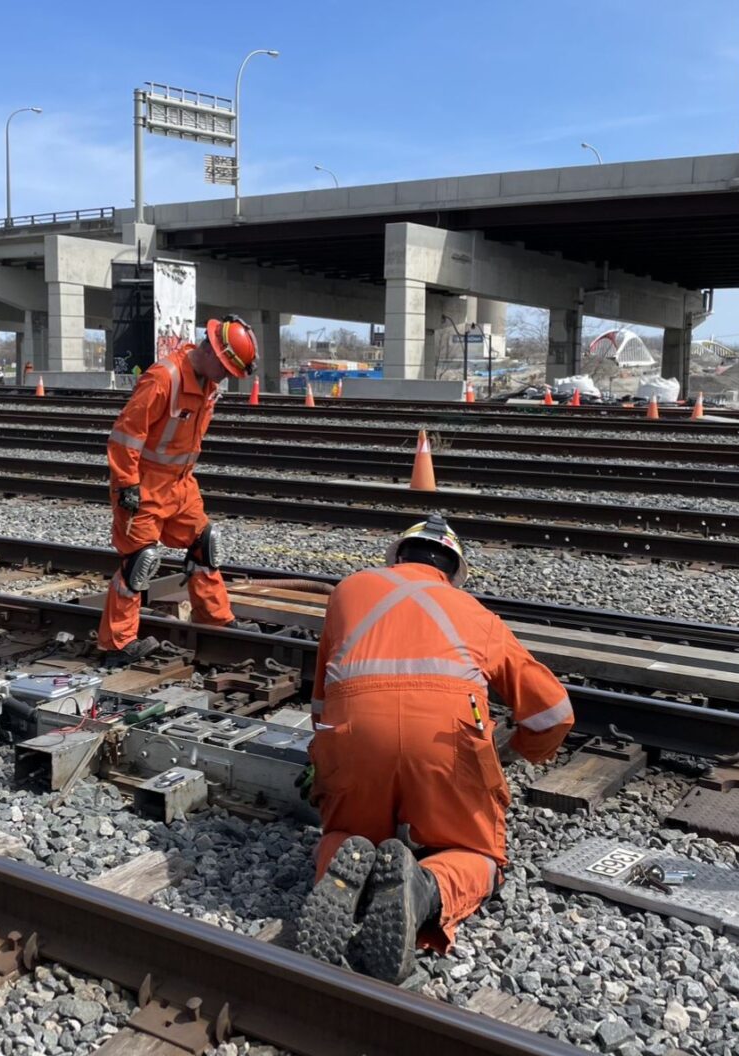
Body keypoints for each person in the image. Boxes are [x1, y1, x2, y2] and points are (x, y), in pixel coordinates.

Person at [297, 516, 574, 983]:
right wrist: (517, 750)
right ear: (451, 571)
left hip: (354, 735)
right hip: (446, 744)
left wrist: (327, 763)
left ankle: (345, 865)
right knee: (479, 854)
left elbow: (322, 700)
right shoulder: (474, 613)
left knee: (342, 832)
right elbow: (554, 711)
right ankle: (426, 889)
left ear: (398, 557)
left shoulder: (348, 591)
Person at [97, 315, 258, 663]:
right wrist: (126, 483)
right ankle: (117, 644)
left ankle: (216, 619)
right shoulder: (164, 378)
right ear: (214, 353)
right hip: (145, 485)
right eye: (227, 369)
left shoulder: (207, 385)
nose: (227, 377)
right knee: (138, 562)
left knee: (204, 544)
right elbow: (126, 434)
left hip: (180, 484)